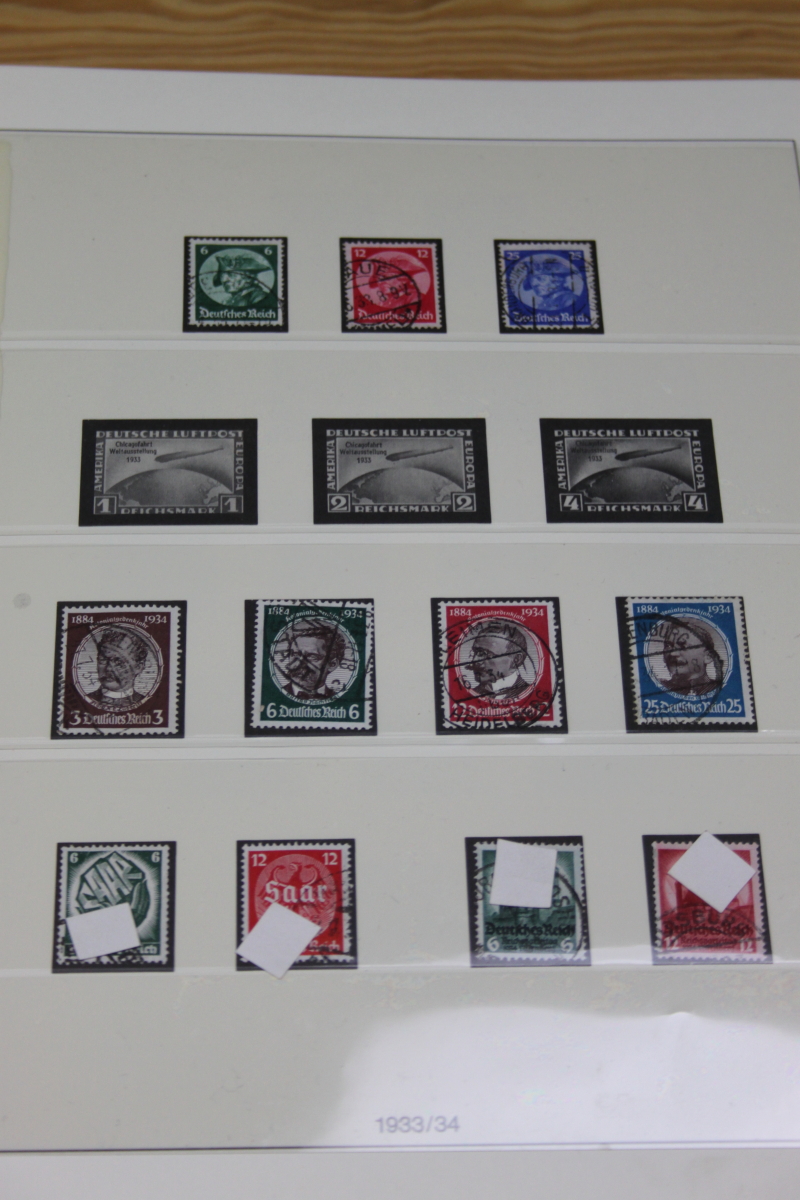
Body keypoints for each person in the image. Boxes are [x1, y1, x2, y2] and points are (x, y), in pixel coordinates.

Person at [273, 618, 353, 701]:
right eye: (295, 655)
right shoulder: (274, 696)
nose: (299, 664)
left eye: (312, 657)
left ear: (332, 664)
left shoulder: (342, 699)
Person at [465, 620, 533, 700]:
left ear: (516, 659)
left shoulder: (530, 693)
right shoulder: (468, 695)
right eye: (475, 652)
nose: (475, 660)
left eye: (486, 654)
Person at [659, 617, 724, 697]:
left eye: (683, 646)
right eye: (668, 646)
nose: (672, 653)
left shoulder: (721, 689)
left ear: (708, 656)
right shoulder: (659, 688)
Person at [91, 627, 151, 710]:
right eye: (103, 660)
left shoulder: (147, 703)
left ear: (138, 667)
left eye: (119, 663)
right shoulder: (85, 699)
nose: (108, 668)